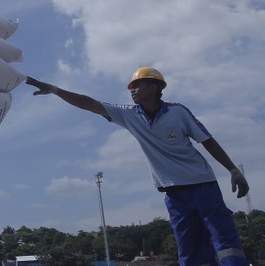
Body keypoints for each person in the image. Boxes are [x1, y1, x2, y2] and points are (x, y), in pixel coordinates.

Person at [26, 67, 250, 266]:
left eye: (137, 85)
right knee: (189, 248)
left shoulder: (178, 112)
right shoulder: (129, 115)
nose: (132, 90)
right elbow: (91, 104)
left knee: (224, 238)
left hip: (203, 185)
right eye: (131, 87)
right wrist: (55, 90)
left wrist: (232, 169)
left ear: (154, 87)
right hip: (173, 193)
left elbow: (207, 140)